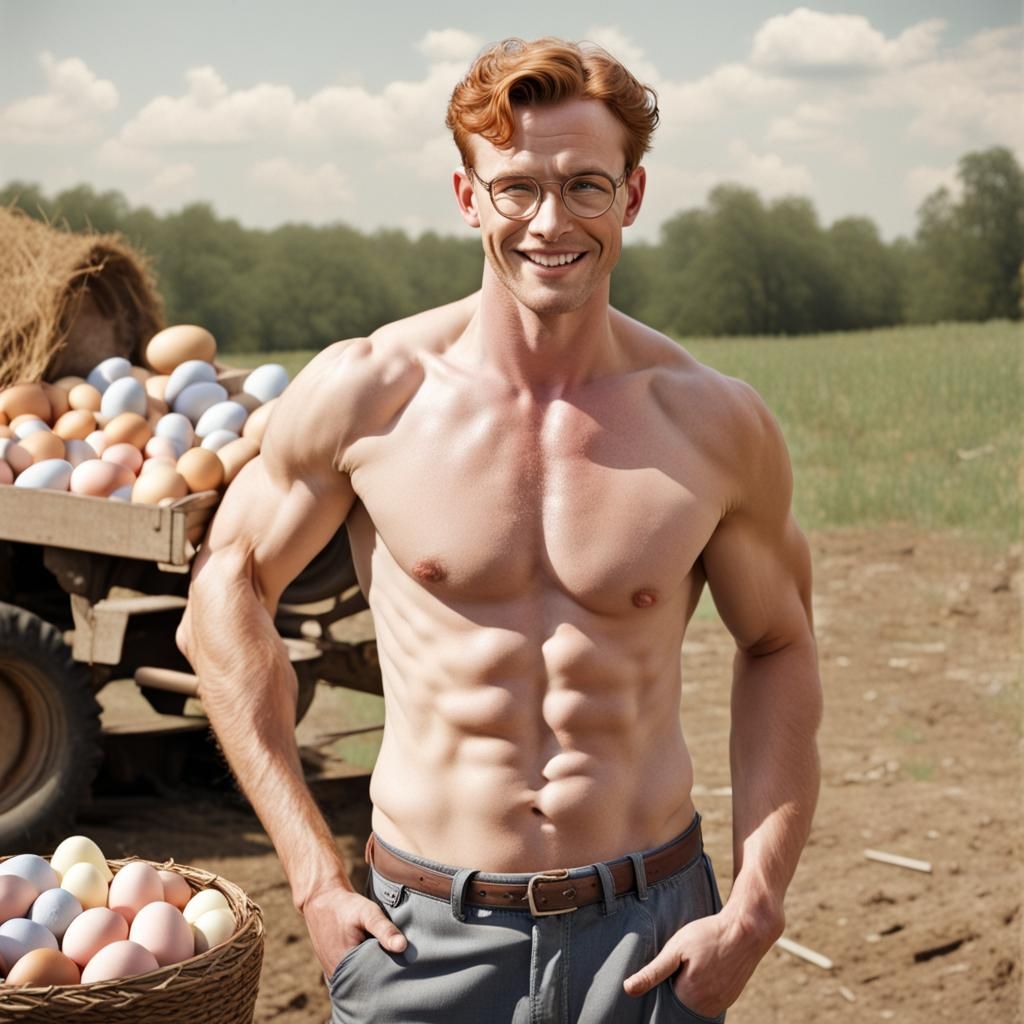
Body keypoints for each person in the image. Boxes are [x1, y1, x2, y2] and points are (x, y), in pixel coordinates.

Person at [177, 36, 823, 1024]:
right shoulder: (371, 394)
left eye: (585, 186)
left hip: (647, 939)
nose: (550, 221)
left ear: (633, 197)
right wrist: (312, 874)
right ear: (467, 195)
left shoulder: (712, 423)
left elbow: (778, 641)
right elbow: (226, 591)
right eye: (516, 187)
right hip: (422, 937)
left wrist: (755, 902)